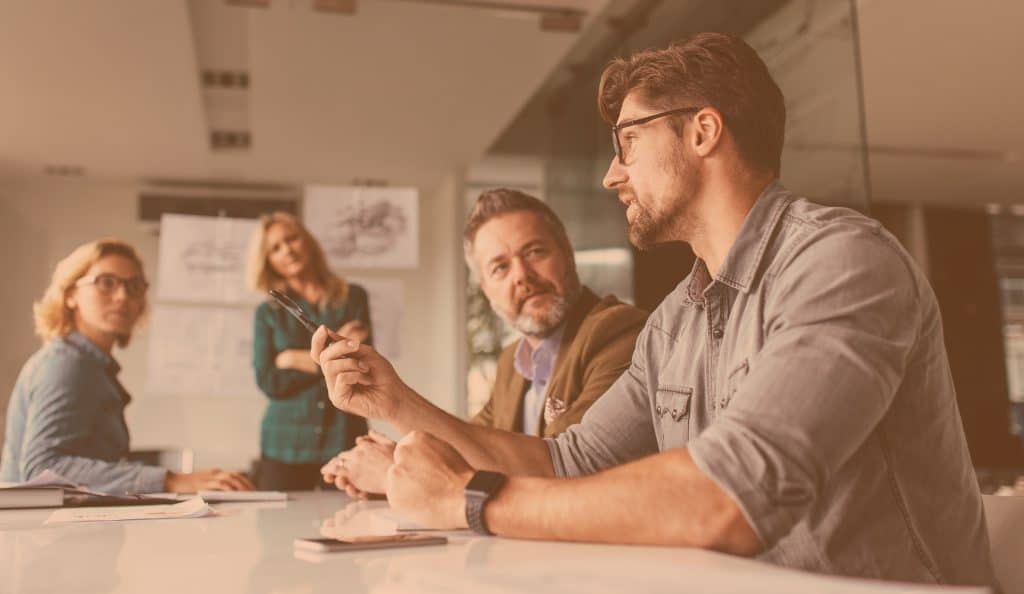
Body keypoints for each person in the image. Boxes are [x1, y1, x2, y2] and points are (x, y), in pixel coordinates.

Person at [312, 32, 996, 587]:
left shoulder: (842, 262)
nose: (612, 173)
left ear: (702, 132)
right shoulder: (675, 321)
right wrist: (395, 402)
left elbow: (729, 496)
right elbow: (566, 462)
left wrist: (469, 500)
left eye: (628, 142)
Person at [320, 189, 646, 496]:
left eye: (535, 252)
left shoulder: (618, 332)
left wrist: (395, 472)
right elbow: (471, 451)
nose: (521, 275)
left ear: (568, 256)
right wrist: (401, 460)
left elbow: (564, 473)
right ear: (487, 291)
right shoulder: (512, 362)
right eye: (500, 267)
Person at [0, 239, 253, 494]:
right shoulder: (66, 364)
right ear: (70, 295)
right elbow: (43, 468)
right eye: (106, 283)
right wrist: (171, 480)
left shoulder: (92, 367)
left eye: (134, 287)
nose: (123, 296)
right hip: (39, 531)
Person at [248, 211, 371, 490]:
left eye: (292, 239)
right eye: (275, 248)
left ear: (308, 242)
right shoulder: (267, 313)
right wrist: (328, 360)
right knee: (277, 530)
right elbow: (269, 381)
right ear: (268, 261)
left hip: (343, 436)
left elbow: (359, 366)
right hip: (285, 444)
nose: (287, 250)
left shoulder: (353, 298)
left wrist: (293, 358)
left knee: (348, 523)